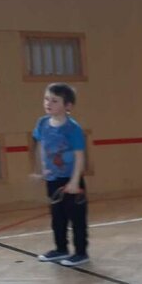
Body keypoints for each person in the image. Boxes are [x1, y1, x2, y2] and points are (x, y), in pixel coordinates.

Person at [31, 83, 90, 267]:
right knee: (57, 217)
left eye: (55, 101)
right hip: (53, 179)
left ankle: (81, 253)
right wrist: (41, 170)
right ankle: (60, 249)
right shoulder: (42, 123)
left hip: (71, 180)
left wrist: (74, 181)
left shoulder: (72, 129)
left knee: (77, 218)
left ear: (68, 106)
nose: (48, 103)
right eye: (46, 99)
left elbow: (79, 156)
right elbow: (40, 146)